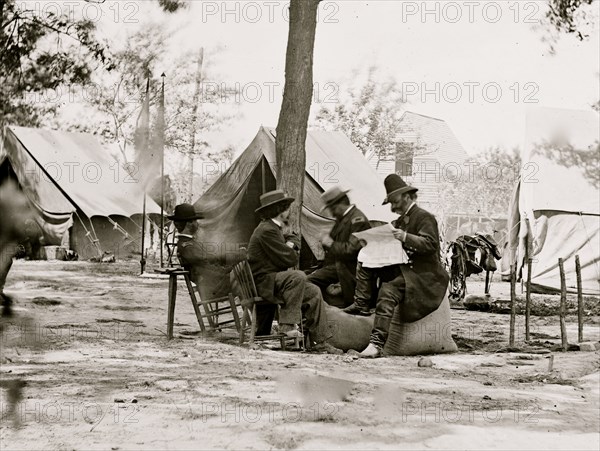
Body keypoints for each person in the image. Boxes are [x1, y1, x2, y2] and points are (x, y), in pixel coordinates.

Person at [349, 174, 449, 358]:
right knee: (365, 259)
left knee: (388, 290)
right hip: (405, 269)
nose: (393, 207)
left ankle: (376, 343)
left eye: (394, 201)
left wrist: (405, 237)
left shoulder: (425, 217)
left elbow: (430, 245)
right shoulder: (402, 220)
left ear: (407, 196)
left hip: (423, 275)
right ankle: (361, 303)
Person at [247, 189, 342, 354]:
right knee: (297, 275)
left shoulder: (272, 228)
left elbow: (291, 242)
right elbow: (289, 259)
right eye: (287, 207)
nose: (289, 211)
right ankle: (286, 326)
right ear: (280, 210)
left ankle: (320, 342)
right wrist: (290, 245)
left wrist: (290, 244)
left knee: (313, 291)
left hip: (272, 280)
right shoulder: (267, 230)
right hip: (263, 282)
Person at [308, 186, 371, 307]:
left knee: (307, 281)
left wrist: (329, 242)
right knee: (305, 278)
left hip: (348, 270)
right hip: (337, 267)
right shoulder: (343, 218)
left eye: (332, 209)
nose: (331, 213)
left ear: (340, 204)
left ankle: (319, 312)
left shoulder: (358, 220)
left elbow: (351, 250)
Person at [168, 203, 228, 300]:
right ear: (189, 224)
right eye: (195, 220)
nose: (197, 223)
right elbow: (206, 265)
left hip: (213, 282)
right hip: (212, 286)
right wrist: (226, 270)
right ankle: (255, 312)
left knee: (245, 277)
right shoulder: (187, 246)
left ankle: (251, 312)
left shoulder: (189, 243)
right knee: (246, 278)